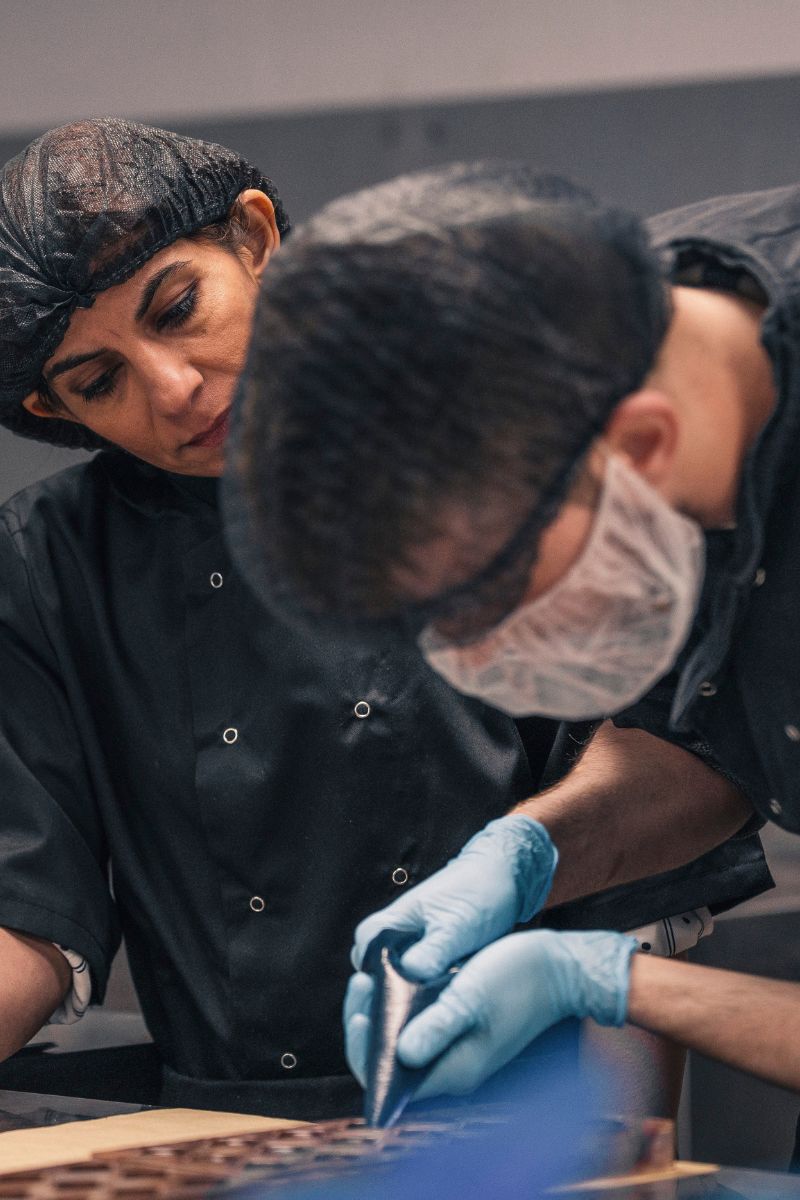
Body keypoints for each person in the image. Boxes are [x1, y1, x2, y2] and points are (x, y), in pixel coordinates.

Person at [0, 124, 746, 1121]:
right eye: (99, 382)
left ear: (255, 237)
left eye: (179, 309)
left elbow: (639, 894)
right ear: (54, 408)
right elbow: (29, 912)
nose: (173, 389)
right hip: (224, 1131)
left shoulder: (514, 443)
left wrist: (605, 1166)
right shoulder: (50, 558)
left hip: (524, 1111)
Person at [227, 163, 800, 1101]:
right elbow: (709, 739)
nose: (481, 660)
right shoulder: (595, 336)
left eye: (495, 595)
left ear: (645, 445)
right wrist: (529, 854)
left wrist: (614, 983)